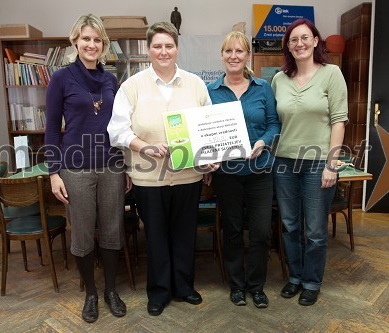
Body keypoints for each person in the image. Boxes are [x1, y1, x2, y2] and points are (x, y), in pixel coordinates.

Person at [107, 21, 216, 316]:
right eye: (158, 46)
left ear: (177, 49)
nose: (163, 51)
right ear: (148, 49)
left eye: (169, 45)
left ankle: (184, 287)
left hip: (188, 174)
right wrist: (144, 147)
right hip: (147, 177)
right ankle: (158, 292)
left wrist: (210, 156)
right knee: (155, 235)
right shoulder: (131, 86)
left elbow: (207, 128)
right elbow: (117, 131)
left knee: (184, 233)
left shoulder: (195, 84)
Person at [44, 14, 129, 323]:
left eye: (97, 40)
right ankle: (91, 293)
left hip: (111, 166)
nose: (92, 44)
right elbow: (52, 129)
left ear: (103, 45)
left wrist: (125, 167)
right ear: (75, 42)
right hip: (75, 169)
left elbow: (120, 128)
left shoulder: (111, 80)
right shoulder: (61, 78)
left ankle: (109, 290)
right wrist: (54, 173)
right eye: (86, 39)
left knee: (111, 231)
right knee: (81, 233)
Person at [271, 18, 348, 306]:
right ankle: (295, 278)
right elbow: (273, 121)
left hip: (318, 164)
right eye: (293, 40)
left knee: (315, 230)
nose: (299, 43)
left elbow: (339, 122)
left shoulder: (332, 73)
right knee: (290, 225)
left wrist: (332, 164)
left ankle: (312, 282)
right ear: (288, 46)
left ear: (316, 41)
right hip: (285, 164)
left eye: (305, 38)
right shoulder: (279, 79)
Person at [207, 31, 281, 308]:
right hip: (227, 173)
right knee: (233, 230)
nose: (234, 56)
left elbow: (274, 123)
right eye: (229, 51)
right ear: (222, 55)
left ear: (247, 55)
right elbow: (204, 132)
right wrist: (207, 158)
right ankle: (237, 286)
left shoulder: (263, 87)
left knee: (261, 231)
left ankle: (257, 286)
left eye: (239, 51)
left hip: (260, 171)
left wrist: (263, 142)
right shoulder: (210, 91)